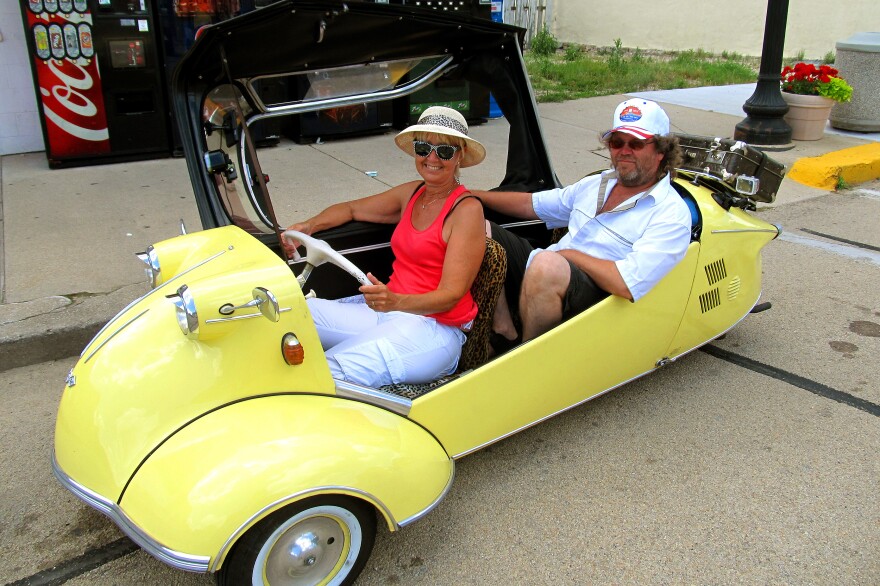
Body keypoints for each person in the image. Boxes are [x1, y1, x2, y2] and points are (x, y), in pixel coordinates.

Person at [283, 106, 486, 387]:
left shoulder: (467, 210)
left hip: (435, 330)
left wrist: (395, 301)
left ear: (460, 155)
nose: (431, 158)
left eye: (445, 151)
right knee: (289, 315)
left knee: (330, 371)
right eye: (423, 147)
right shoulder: (413, 193)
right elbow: (351, 209)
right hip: (389, 312)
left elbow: (451, 295)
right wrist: (309, 226)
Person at [472, 98, 692, 350]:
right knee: (473, 222)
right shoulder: (597, 183)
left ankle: (525, 356)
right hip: (549, 266)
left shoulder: (670, 213)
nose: (624, 150)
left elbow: (627, 284)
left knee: (546, 264)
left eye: (637, 143)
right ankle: (504, 328)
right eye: (617, 142)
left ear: (661, 150)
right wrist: (471, 195)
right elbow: (531, 204)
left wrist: (568, 255)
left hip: (595, 296)